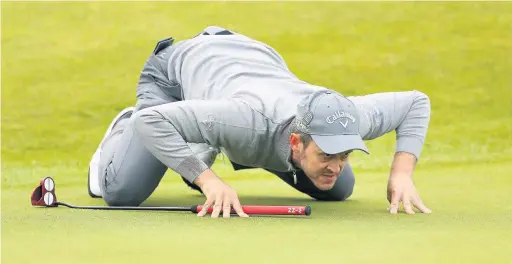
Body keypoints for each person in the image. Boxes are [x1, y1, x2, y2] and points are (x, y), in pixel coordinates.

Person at [87, 26, 432, 218]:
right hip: (172, 77)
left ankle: (199, 138)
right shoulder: (245, 123)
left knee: (339, 189)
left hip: (249, 59)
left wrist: (401, 174)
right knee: (121, 192)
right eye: (328, 154)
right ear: (297, 143)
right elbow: (153, 122)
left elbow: (415, 103)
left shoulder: (345, 115)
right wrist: (209, 181)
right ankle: (123, 128)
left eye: (343, 154)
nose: (336, 164)